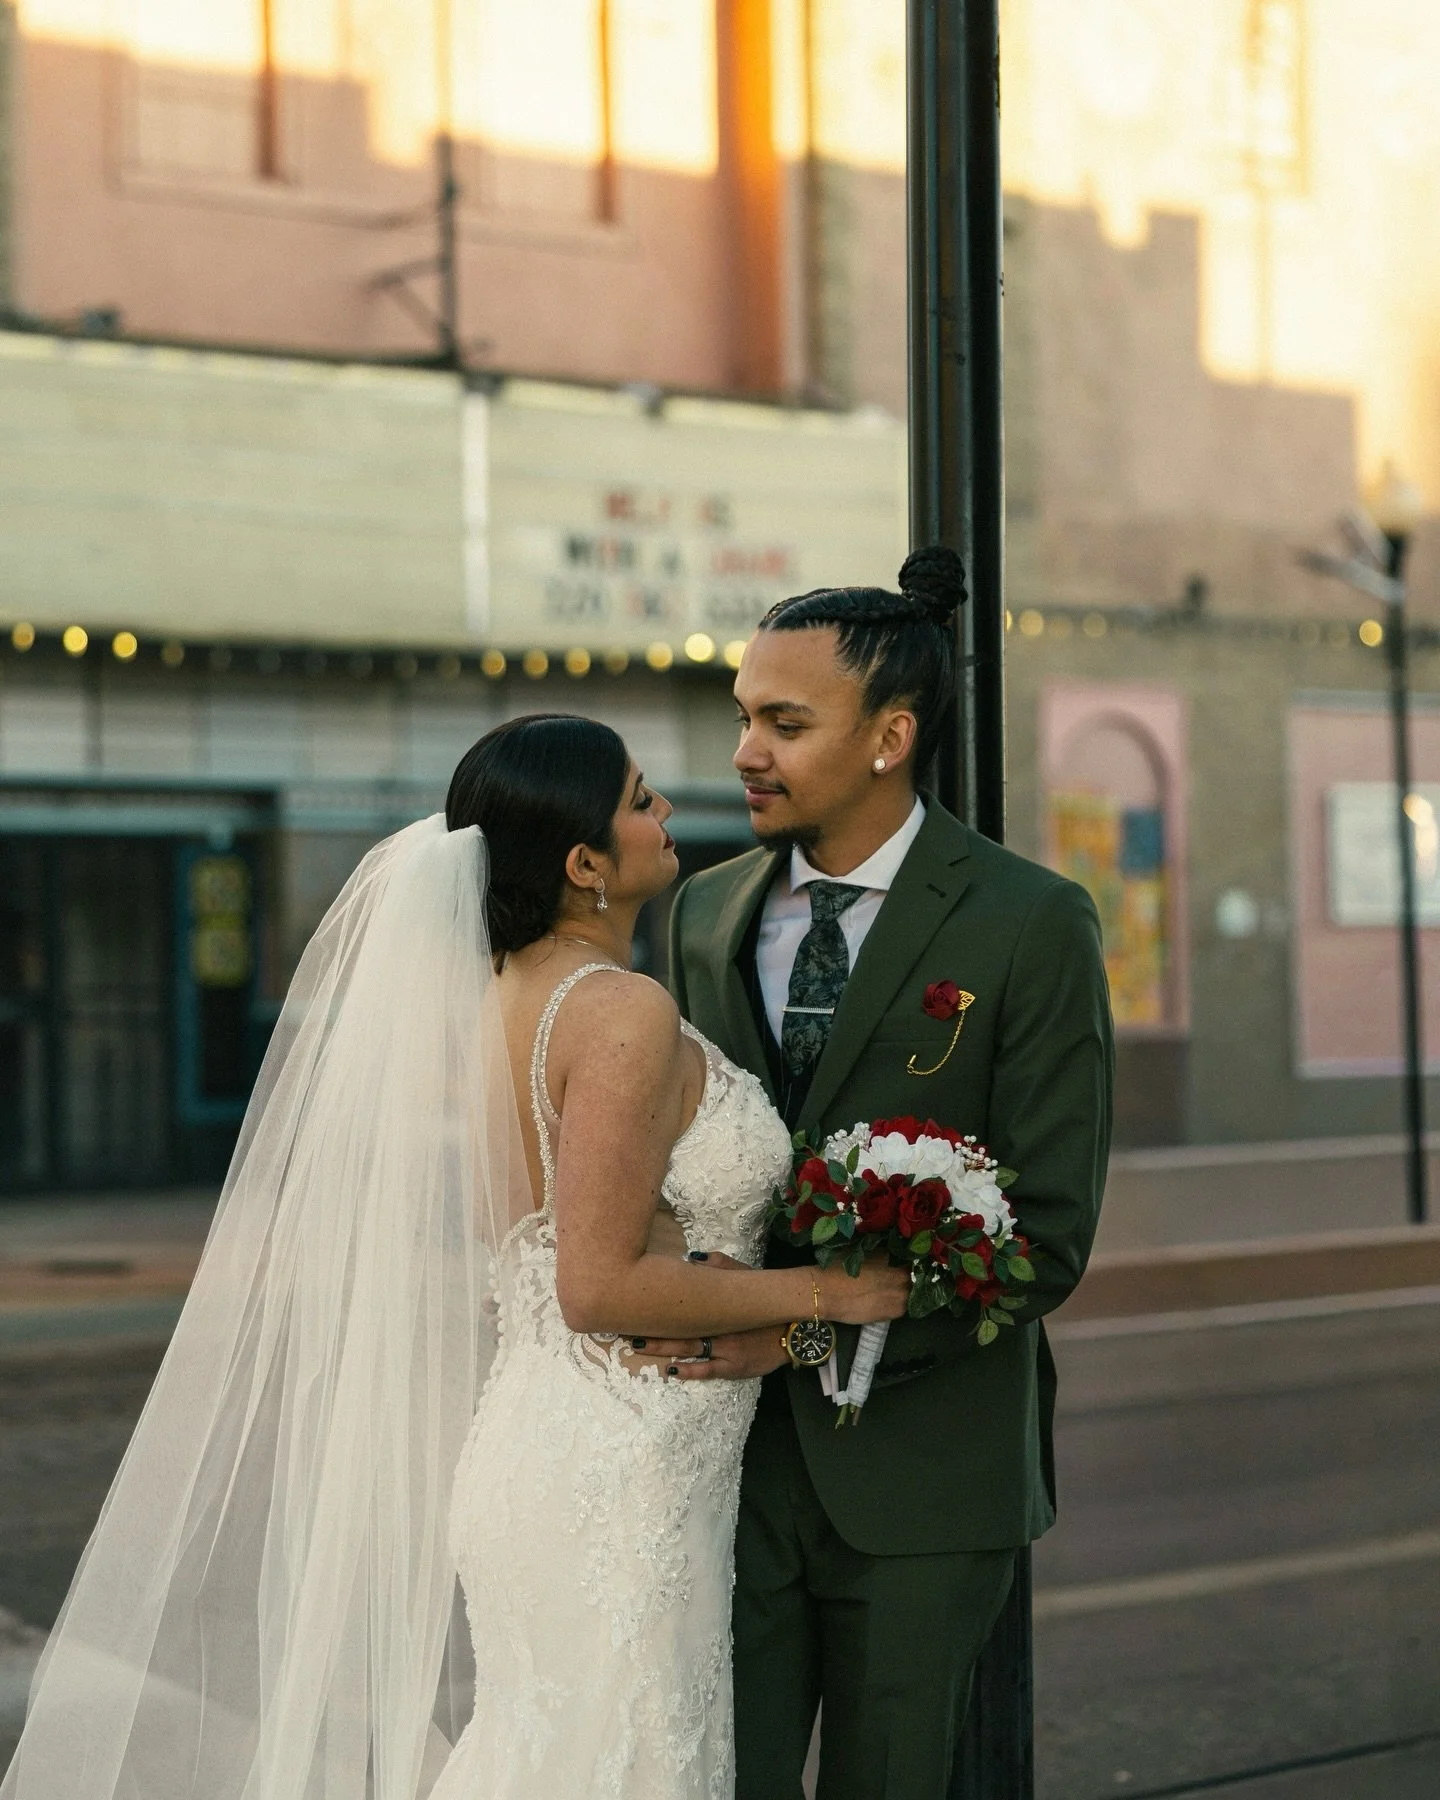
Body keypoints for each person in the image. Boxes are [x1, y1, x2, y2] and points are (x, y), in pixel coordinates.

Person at [1, 712, 906, 1800]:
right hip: (618, 1472)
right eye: (638, 798)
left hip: (568, 1446)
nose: (666, 810)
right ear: (583, 864)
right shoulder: (620, 1009)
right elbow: (597, 1284)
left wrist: (780, 1323)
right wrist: (830, 1293)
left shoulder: (502, 1004)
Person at [666, 546, 1115, 1800]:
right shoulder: (701, 915)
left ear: (890, 736)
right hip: (726, 1467)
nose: (748, 750)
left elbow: (1047, 1235)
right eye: (745, 718)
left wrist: (801, 1341)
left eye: (785, 723)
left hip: (928, 1476)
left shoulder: (1030, 921)